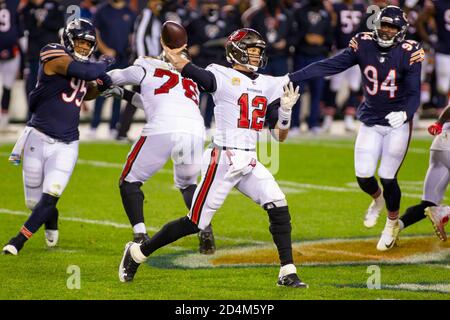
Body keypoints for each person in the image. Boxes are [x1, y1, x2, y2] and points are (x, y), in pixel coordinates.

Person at [118, 28, 307, 288]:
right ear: (237, 52)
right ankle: (138, 253)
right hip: (223, 158)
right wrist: (174, 55)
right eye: (252, 51)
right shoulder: (220, 74)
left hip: (249, 160)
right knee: (194, 223)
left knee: (278, 205)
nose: (256, 56)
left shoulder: (265, 83)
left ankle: (287, 271)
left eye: (258, 52)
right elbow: (193, 71)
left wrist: (285, 111)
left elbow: (280, 136)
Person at [289, 6, 424, 251]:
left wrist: (406, 113)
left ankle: (392, 223)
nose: (386, 30)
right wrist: (292, 77)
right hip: (371, 118)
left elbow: (415, 93)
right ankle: (377, 200)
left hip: (397, 122)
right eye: (383, 24)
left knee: (387, 176)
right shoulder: (363, 43)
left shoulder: (409, 51)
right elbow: (331, 66)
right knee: (363, 176)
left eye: (392, 27)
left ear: (401, 31)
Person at [102, 21, 217, 255]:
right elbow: (154, 103)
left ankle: (140, 235)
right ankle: (205, 230)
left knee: (129, 180)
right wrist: (123, 94)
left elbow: (111, 77)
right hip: (194, 130)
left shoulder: (146, 65)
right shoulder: (189, 75)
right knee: (187, 183)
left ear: (162, 45)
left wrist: (95, 76)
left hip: (163, 127)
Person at [2, 19, 113, 255]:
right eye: (81, 42)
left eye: (88, 44)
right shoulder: (52, 52)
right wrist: (105, 61)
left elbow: (84, 92)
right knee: (34, 203)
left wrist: (101, 87)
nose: (84, 48)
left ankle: (16, 241)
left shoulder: (84, 65)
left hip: (67, 142)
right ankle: (51, 220)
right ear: (69, 40)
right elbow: (84, 71)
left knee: (51, 193)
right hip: (38, 137)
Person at [398, 105, 450, 242]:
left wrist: (439, 124)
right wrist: (438, 123)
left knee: (428, 203)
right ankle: (444, 212)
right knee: (433, 208)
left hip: (440, 145)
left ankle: (394, 227)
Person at [115, 0, 163, 142]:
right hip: (147, 64)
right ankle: (124, 132)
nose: (157, 4)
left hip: (153, 63)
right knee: (146, 98)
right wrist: (143, 61)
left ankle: (122, 132)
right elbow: (140, 37)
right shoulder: (147, 14)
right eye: (155, 1)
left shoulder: (155, 17)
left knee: (139, 98)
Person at [88, 0, 136, 139]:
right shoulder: (102, 10)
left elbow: (132, 35)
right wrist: (105, 50)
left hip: (122, 58)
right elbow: (94, 32)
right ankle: (94, 126)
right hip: (105, 59)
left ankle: (113, 127)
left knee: (118, 94)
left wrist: (131, 52)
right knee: (100, 90)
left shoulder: (129, 12)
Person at [290, 0, 334, 135]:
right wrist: (305, 37)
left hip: (319, 56)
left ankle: (313, 123)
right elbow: (293, 32)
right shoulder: (299, 11)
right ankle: (294, 124)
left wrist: (323, 40)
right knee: (297, 91)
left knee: (317, 92)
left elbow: (330, 35)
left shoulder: (326, 13)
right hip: (302, 55)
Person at [322, 0, 365, 133]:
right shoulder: (336, 6)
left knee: (354, 86)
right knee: (334, 86)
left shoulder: (361, 6)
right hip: (340, 50)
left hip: (357, 51)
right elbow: (331, 25)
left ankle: (349, 118)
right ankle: (328, 118)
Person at [20, 0, 65, 120]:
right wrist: (45, 28)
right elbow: (28, 29)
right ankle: (32, 116)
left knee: (54, 85)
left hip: (53, 55)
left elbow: (59, 24)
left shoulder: (54, 5)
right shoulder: (27, 8)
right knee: (33, 86)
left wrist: (42, 21)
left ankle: (53, 116)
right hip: (35, 55)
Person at [417, 0, 450, 115]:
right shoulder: (438, 4)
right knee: (443, 87)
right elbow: (419, 21)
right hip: (444, 50)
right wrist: (430, 41)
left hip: (444, 49)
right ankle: (444, 115)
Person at [0, 0, 25, 129]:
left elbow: (19, 33)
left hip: (11, 53)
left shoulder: (12, 5)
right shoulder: (12, 5)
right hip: (11, 50)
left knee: (7, 87)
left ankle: (3, 119)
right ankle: (3, 119)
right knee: (7, 87)